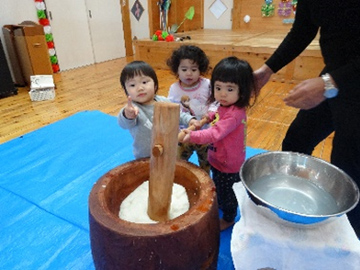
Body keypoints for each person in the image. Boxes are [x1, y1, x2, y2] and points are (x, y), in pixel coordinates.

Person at [253, 0, 360, 238]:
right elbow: (301, 31)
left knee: (349, 169)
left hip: (350, 82)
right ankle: (296, 212)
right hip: (334, 75)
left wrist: (329, 84)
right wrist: (267, 69)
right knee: (296, 141)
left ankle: (349, 244)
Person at [179, 56, 258, 231]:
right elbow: (215, 112)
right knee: (220, 187)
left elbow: (215, 133)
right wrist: (204, 119)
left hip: (228, 164)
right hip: (218, 158)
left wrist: (192, 136)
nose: (222, 93)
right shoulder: (225, 105)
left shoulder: (235, 114)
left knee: (227, 193)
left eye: (229, 89)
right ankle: (222, 203)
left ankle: (229, 218)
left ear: (242, 91)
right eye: (218, 87)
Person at [118, 60, 198, 159]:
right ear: (126, 91)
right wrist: (127, 115)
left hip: (171, 149)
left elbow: (178, 114)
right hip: (146, 156)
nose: (140, 88)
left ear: (155, 85)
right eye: (132, 85)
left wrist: (189, 119)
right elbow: (124, 124)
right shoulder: (133, 110)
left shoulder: (163, 101)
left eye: (144, 82)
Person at [167, 45, 212, 173]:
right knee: (178, 162)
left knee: (206, 164)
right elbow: (171, 109)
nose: (189, 73)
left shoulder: (206, 85)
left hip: (204, 134)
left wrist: (211, 112)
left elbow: (215, 102)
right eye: (184, 69)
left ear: (200, 69)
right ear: (177, 70)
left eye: (194, 69)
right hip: (183, 134)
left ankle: (206, 183)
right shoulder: (174, 89)